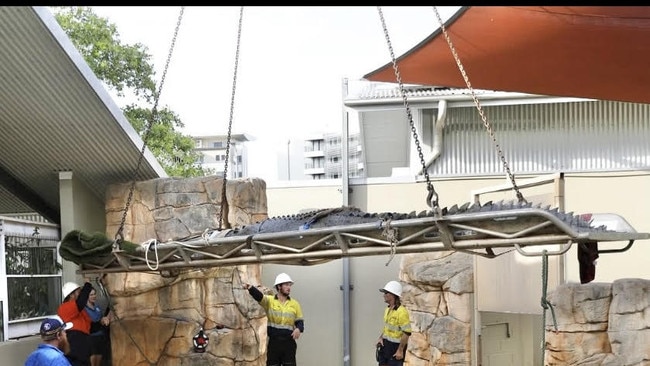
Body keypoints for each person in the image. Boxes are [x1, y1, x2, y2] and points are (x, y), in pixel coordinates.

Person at [244, 272, 304, 366]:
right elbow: (260, 297)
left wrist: (298, 329)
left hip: (289, 344)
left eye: (290, 285)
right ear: (279, 287)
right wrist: (250, 288)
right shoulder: (270, 301)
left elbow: (300, 322)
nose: (289, 287)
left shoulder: (295, 304)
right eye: (286, 285)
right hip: (274, 343)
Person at [376, 280, 411, 366]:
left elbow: (406, 332)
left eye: (386, 293)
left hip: (395, 348)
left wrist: (400, 350)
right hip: (386, 345)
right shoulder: (387, 309)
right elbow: (387, 327)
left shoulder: (402, 312)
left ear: (392, 295)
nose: (383, 295)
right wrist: (381, 338)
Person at [58, 281, 94, 366]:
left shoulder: (80, 310)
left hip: (83, 345)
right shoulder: (64, 307)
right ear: (71, 295)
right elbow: (81, 302)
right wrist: (87, 284)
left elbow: (89, 325)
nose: (80, 294)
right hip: (74, 344)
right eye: (79, 292)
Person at [85, 287, 111, 366]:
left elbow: (101, 319)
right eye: (91, 295)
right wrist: (101, 321)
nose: (94, 296)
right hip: (91, 339)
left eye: (94, 294)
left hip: (100, 338)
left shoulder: (97, 307)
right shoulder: (84, 309)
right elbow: (90, 324)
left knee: (99, 363)